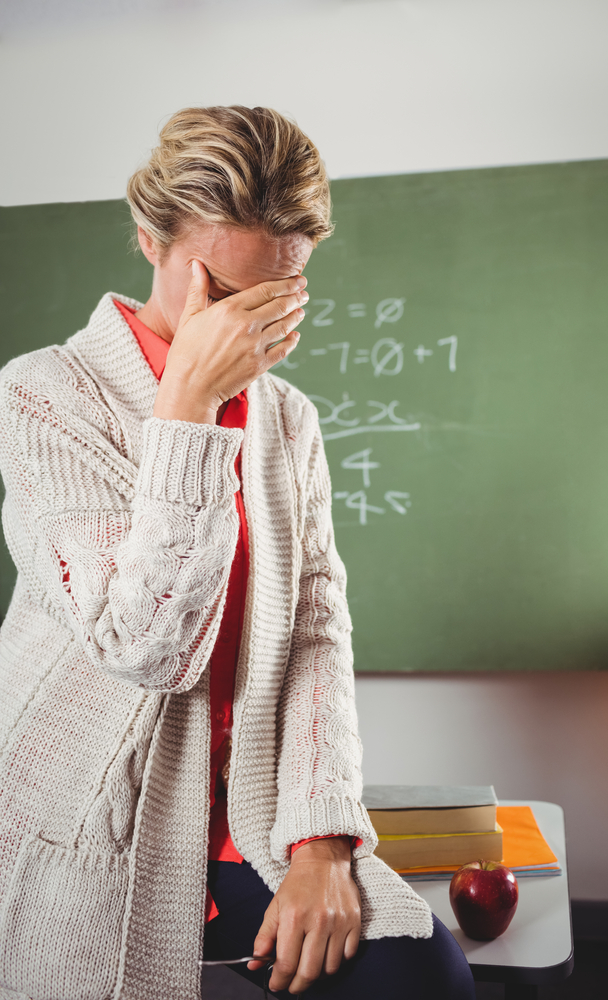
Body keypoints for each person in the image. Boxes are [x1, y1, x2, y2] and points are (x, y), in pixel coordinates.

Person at [0, 106, 475, 1000]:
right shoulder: (42, 395)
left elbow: (313, 636)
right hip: (96, 809)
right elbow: (147, 649)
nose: (247, 326)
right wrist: (186, 406)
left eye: (281, 292)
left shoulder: (289, 419)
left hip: (251, 802)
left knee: (425, 976)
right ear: (148, 239)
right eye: (222, 292)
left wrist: (323, 841)